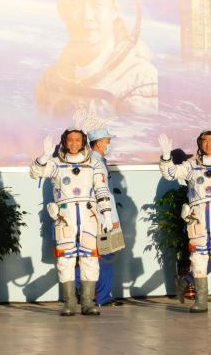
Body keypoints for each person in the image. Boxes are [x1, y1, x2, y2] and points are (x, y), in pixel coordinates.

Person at [35, 0, 157, 117]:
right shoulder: (50, 81)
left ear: (114, 9)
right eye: (75, 4)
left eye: (97, 4)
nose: (87, 16)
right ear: (62, 12)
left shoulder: (141, 83)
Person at [30, 128, 116, 317]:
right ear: (64, 142)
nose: (74, 143)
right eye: (70, 140)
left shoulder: (93, 164)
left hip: (89, 216)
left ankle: (87, 302)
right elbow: (35, 172)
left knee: (90, 259)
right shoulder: (56, 163)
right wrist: (44, 156)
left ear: (83, 142)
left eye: (78, 140)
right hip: (65, 217)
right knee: (65, 259)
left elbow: (102, 190)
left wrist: (107, 215)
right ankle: (69, 302)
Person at [158, 130, 211, 313]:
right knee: (198, 257)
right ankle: (201, 301)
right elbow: (170, 174)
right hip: (198, 219)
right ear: (199, 143)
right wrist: (166, 157)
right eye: (204, 141)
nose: (208, 144)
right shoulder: (192, 165)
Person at [86, 127, 123, 306]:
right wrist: (110, 219)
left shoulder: (99, 161)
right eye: (108, 142)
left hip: (105, 216)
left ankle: (94, 294)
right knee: (106, 257)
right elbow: (102, 194)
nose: (109, 145)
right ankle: (101, 296)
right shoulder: (96, 163)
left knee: (101, 257)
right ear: (99, 143)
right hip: (104, 218)